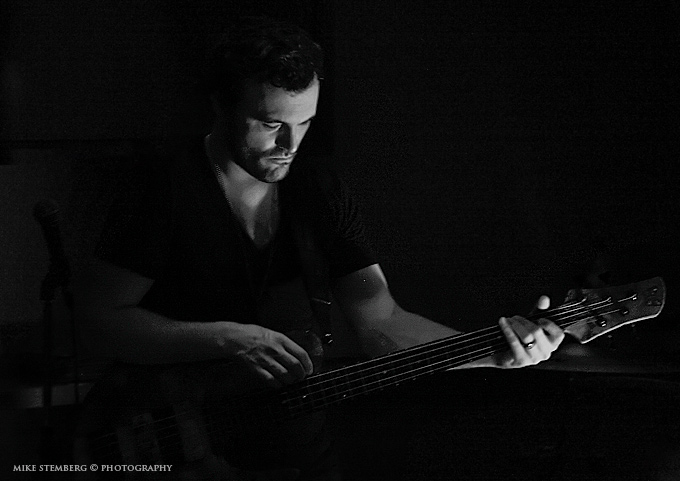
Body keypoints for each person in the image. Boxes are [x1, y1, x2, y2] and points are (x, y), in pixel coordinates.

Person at [75, 16, 564, 480]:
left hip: (295, 453)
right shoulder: (165, 191)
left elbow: (381, 322)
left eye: (305, 122)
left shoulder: (319, 192)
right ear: (221, 106)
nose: (290, 144)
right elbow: (98, 322)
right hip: (172, 444)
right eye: (271, 124)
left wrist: (490, 353)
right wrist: (226, 338)